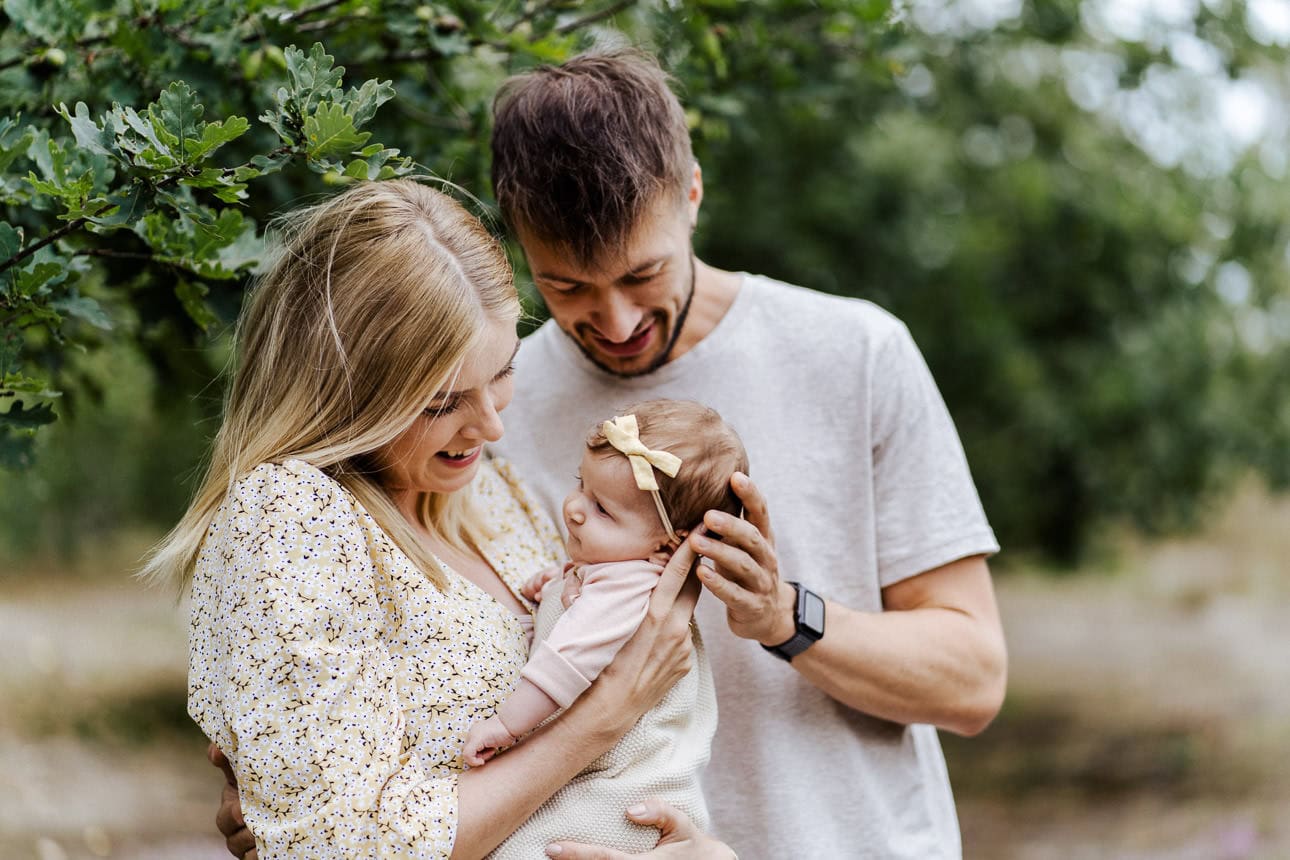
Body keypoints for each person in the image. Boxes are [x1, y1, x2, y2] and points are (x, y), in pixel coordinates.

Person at [218, 48, 1008, 859]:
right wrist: (304, 799)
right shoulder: (481, 405)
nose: (618, 321)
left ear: (692, 192)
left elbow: (974, 681)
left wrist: (783, 618)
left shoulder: (855, 354)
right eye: (566, 289)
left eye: (644, 274)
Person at [145, 178, 727, 859]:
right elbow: (346, 845)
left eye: (503, 373)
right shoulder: (289, 516)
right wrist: (601, 720)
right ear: (348, 392)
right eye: (439, 404)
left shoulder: (491, 496)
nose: (490, 426)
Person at [464, 399, 748, 857]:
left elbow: (567, 662)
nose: (576, 508)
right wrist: (556, 585)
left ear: (668, 546)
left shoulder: (630, 586)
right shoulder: (617, 570)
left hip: (621, 797)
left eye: (603, 510)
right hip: (623, 788)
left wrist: (505, 726)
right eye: (582, 485)